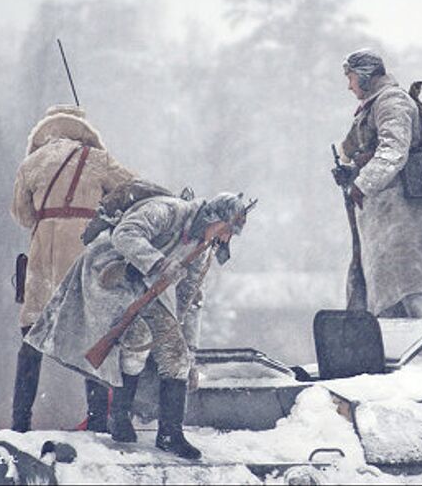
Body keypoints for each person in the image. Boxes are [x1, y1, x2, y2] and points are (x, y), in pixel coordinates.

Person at [25, 191, 252, 460]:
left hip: (146, 287)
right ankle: (118, 417)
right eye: (226, 229)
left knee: (176, 357)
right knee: (137, 336)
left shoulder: (201, 249)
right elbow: (125, 234)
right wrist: (158, 263)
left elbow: (190, 301)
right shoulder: (168, 211)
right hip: (107, 276)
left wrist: (189, 350)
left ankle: (169, 435)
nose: (225, 238)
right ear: (212, 217)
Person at [10, 104, 135, 432]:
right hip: (84, 258)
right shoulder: (97, 160)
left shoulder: (31, 164)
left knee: (32, 340)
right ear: (83, 129)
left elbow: (22, 216)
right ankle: (97, 420)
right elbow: (134, 193)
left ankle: (20, 421)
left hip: (42, 263)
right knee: (91, 334)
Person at [334, 48, 422, 362]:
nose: (349, 86)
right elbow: (371, 150)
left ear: (363, 76)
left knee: (412, 286)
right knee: (389, 292)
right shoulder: (373, 105)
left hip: (404, 211)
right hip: (385, 210)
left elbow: (394, 149)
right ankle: (399, 360)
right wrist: (350, 172)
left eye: (350, 77)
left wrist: (363, 182)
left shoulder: (391, 102)